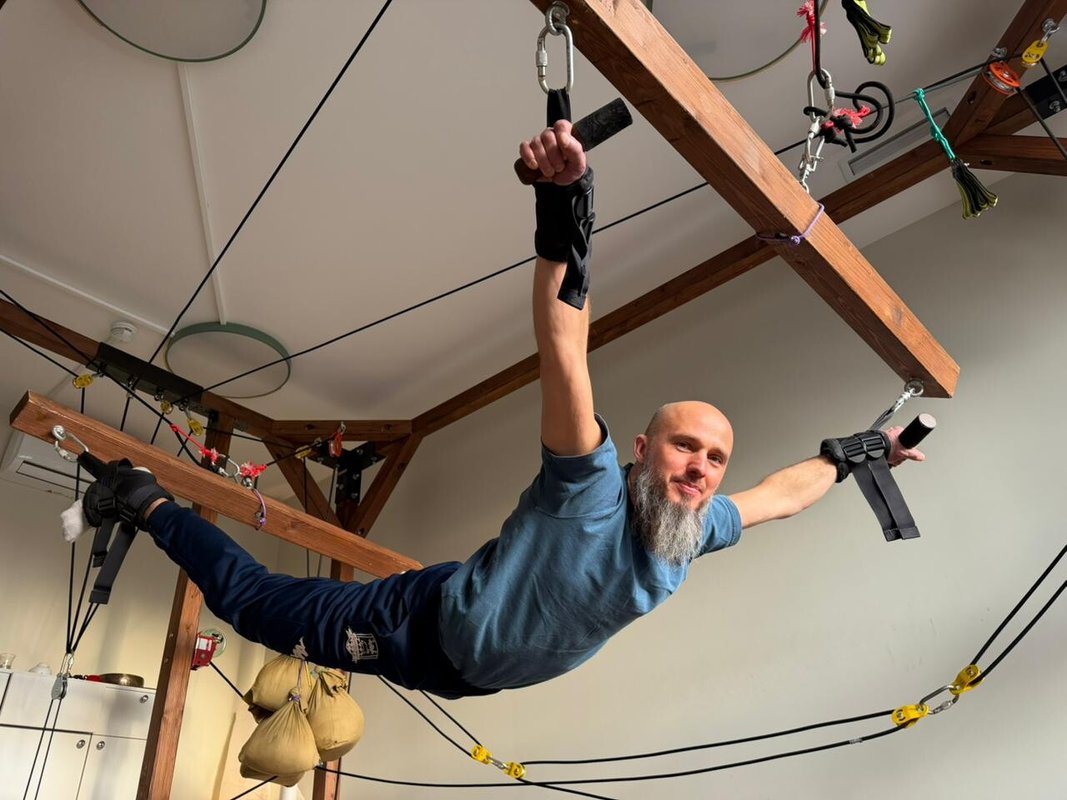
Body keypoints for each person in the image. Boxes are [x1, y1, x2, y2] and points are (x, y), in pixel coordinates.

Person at [81, 121, 923, 699]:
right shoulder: (588, 485)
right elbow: (562, 345)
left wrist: (857, 453)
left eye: (713, 459)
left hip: (462, 670)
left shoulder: (693, 530)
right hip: (415, 628)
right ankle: (142, 497)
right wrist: (563, 209)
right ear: (641, 448)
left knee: (297, 613)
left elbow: (781, 494)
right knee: (258, 609)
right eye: (685, 447)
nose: (700, 468)